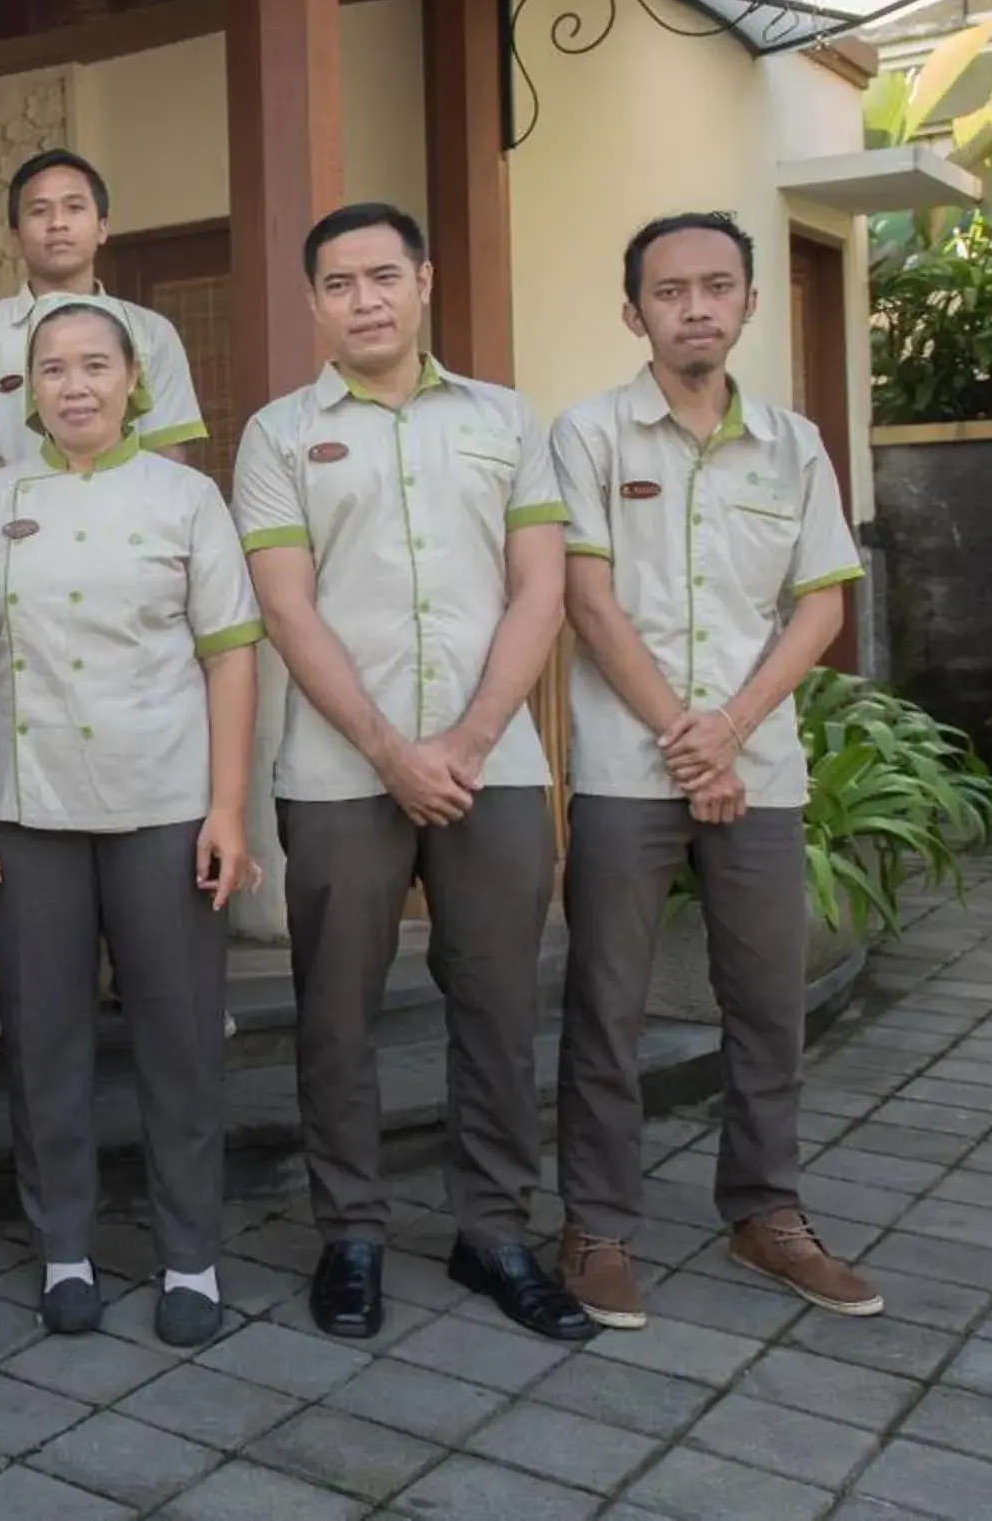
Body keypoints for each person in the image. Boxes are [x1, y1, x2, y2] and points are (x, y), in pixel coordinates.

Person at [234, 203, 590, 1345]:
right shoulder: (278, 435)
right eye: (338, 284)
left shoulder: (504, 418)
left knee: (495, 1005)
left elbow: (541, 588)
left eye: (383, 276)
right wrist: (393, 751)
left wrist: (474, 741)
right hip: (342, 771)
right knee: (335, 1012)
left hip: (498, 764)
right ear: (314, 303)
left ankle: (494, 1232)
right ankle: (351, 1234)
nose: (364, 299)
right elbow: (287, 609)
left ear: (424, 281)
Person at [551, 212, 879, 1330]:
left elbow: (821, 601)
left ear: (749, 303)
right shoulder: (589, 436)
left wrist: (731, 729)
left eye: (717, 286)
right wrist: (686, 740)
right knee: (606, 1003)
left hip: (762, 769)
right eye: (671, 290)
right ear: (632, 311)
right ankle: (596, 1224)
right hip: (624, 771)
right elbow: (587, 603)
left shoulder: (794, 445)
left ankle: (766, 1212)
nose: (695, 306)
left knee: (767, 1003)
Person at [0, 295, 263, 1349]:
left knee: (179, 1042)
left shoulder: (188, 498)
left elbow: (229, 654)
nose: (74, 386)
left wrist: (226, 809)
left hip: (165, 805)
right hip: (28, 807)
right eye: (51, 370)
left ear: (134, 382)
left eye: (93, 366)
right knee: (44, 1039)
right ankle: (65, 1247)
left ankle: (190, 1255)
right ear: (27, 392)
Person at [0, 149, 211, 487]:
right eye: (39, 211)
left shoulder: (152, 332)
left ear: (103, 228)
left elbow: (168, 452)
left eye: (74, 207)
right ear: (15, 237)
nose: (57, 223)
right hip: (15, 530)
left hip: (131, 529)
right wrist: (31, 517)